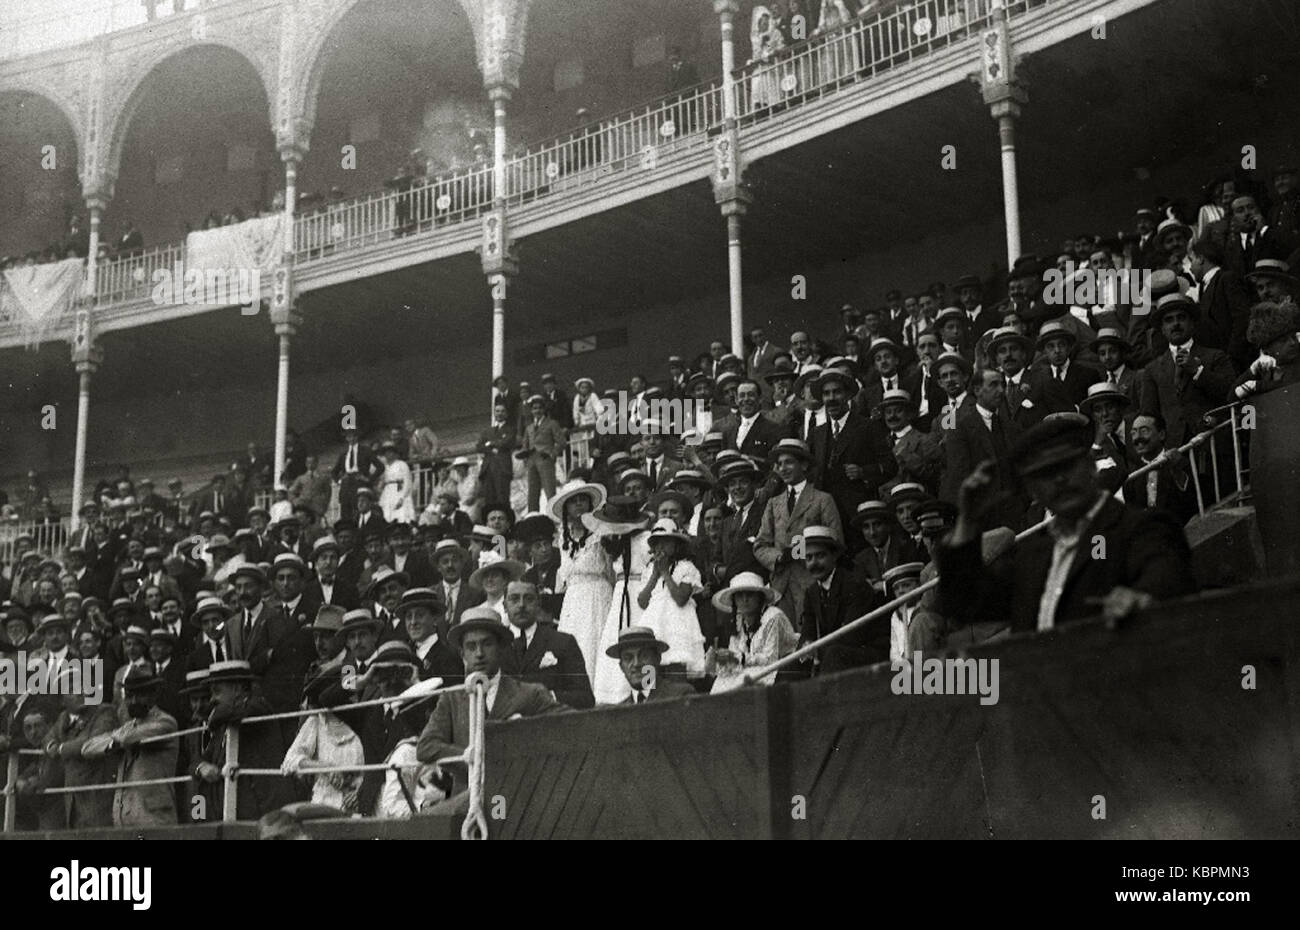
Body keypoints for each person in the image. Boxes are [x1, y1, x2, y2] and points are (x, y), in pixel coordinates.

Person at [939, 415, 1197, 634]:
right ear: (1032, 488)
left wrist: (1141, 598)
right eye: (1046, 474)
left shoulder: (1141, 528)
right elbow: (963, 602)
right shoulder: (1033, 555)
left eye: (1067, 465)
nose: (1060, 479)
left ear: (1090, 467)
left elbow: (1165, 577)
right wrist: (967, 519)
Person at [415, 609, 566, 794]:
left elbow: (569, 725)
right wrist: (467, 756)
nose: (479, 654)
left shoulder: (529, 694)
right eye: (471, 646)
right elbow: (426, 746)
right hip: (466, 800)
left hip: (512, 797)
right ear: (462, 653)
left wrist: (525, 735)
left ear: (501, 648)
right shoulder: (452, 699)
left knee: (498, 817)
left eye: (487, 644)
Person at [754, 438, 843, 623]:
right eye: (779, 464)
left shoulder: (822, 499)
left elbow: (837, 541)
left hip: (811, 582)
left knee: (810, 637)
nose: (783, 468)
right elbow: (760, 545)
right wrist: (778, 557)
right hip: (780, 586)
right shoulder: (773, 503)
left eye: (789, 462)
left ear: (803, 465)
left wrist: (798, 551)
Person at [193, 660, 295, 820]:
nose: (212, 699)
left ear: (238, 688)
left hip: (263, 810)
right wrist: (202, 767)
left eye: (217, 691)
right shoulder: (224, 724)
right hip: (232, 811)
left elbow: (228, 713)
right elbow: (198, 760)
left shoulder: (259, 707)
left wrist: (214, 715)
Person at [81, 667, 179, 827]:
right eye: (130, 696)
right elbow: (87, 748)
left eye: (140, 695)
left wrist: (114, 740)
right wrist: (114, 743)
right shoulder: (128, 726)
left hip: (154, 816)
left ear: (153, 695)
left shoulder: (165, 722)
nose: (133, 701)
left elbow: (129, 737)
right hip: (124, 814)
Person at [588, 497, 654, 704]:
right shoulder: (615, 542)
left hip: (639, 594)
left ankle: (647, 691)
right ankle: (617, 695)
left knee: (640, 639)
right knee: (615, 639)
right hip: (619, 597)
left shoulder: (646, 540)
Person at [798, 525, 884, 674]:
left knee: (833, 654)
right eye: (809, 558)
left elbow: (851, 635)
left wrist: (816, 650)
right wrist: (806, 645)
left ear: (834, 556)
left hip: (868, 652)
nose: (814, 563)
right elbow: (808, 628)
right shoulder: (811, 592)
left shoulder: (855, 584)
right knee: (793, 661)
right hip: (834, 652)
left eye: (820, 556)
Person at [550, 482, 613, 681]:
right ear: (566, 507)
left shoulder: (602, 532)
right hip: (573, 601)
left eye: (582, 500)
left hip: (597, 595)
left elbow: (611, 571)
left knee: (595, 643)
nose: (578, 505)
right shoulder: (563, 538)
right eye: (573, 501)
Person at [502, 580, 594, 709]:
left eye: (529, 599)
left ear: (538, 603)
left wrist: (550, 696)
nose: (521, 605)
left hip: (549, 723)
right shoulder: (495, 646)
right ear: (504, 606)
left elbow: (585, 698)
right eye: (514, 599)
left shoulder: (562, 642)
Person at [636, 519, 707, 680]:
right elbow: (642, 602)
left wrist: (666, 573)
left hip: (677, 625)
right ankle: (649, 698)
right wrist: (655, 574)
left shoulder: (686, 567)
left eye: (666, 542)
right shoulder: (649, 571)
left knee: (676, 664)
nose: (661, 547)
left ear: (676, 545)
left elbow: (681, 598)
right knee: (650, 667)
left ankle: (677, 699)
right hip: (654, 624)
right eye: (657, 543)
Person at [708, 572, 797, 692]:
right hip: (752, 668)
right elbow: (735, 659)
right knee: (722, 680)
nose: (745, 600)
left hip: (783, 669)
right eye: (739, 596)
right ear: (734, 600)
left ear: (759, 597)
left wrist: (740, 658)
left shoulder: (773, 616)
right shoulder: (738, 620)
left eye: (749, 594)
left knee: (744, 681)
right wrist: (720, 659)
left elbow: (770, 659)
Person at [377, 442, 416, 524]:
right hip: (388, 492)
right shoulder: (385, 467)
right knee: (387, 514)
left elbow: (407, 481)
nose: (388, 454)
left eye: (390, 452)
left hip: (399, 490)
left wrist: (402, 497)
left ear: (395, 453)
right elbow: (382, 481)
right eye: (386, 453)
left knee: (401, 514)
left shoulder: (402, 464)